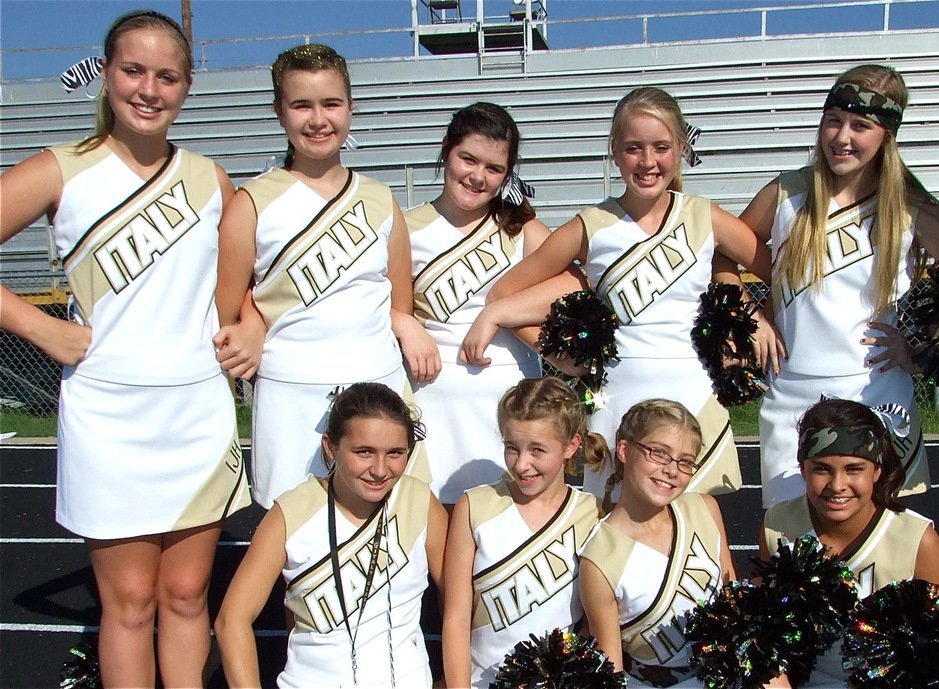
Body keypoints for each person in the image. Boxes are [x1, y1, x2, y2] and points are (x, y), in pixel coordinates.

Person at [0, 11, 250, 687]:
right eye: (133, 71)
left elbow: (242, 285)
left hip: (197, 410)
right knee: (132, 602)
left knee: (187, 596)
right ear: (106, 73)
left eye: (166, 76)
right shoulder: (62, 169)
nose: (149, 88)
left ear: (187, 87)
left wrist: (250, 325)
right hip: (109, 414)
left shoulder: (211, 178)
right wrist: (39, 326)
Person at [465, 86, 773, 503]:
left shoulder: (704, 215)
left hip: (695, 395)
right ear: (614, 150)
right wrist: (561, 357)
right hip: (617, 399)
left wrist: (755, 313)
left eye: (661, 147)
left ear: (680, 148)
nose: (648, 162)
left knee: (697, 534)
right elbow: (506, 291)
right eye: (633, 148)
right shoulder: (590, 225)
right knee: (614, 533)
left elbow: (778, 271)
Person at [736, 64, 939, 510]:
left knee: (880, 543)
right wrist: (752, 314)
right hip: (790, 393)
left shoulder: (910, 204)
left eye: (860, 126)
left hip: (876, 394)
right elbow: (720, 254)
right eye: (833, 120)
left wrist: (923, 349)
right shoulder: (788, 192)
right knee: (792, 543)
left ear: (886, 135)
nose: (842, 137)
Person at [214, 44, 414, 508]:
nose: (318, 119)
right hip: (290, 393)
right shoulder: (251, 202)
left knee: (383, 530)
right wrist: (253, 320)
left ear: (350, 107)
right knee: (292, 535)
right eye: (301, 104)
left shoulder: (381, 199)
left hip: (377, 390)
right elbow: (229, 304)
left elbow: (397, 303)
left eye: (331, 103)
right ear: (279, 112)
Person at [398, 102, 581, 505]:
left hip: (511, 411)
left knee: (508, 526)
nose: (478, 176)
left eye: (494, 168)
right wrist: (404, 322)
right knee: (439, 528)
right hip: (432, 403)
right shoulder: (405, 229)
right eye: (468, 159)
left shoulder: (523, 229)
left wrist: (499, 313)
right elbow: (381, 304)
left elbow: (578, 283)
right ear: (446, 150)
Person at [215, 382, 447, 688]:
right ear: (330, 446)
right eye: (364, 452)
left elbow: (462, 603)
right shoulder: (291, 513)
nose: (380, 469)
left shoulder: (419, 503)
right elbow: (232, 620)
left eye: (395, 453)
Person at [758, 398, 939, 687]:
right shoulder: (779, 525)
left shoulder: (917, 540)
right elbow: (761, 632)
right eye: (822, 469)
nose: (837, 485)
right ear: (803, 469)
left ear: (877, 470)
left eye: (854, 469)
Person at [440, 377, 605, 688]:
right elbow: (456, 618)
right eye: (511, 448)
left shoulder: (592, 513)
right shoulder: (474, 506)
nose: (522, 464)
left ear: (572, 445)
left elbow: (596, 621)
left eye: (538, 450)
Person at [579, 399, 737, 688]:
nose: (672, 470)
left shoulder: (704, 508)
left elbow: (735, 604)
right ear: (624, 450)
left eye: (685, 461)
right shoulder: (600, 557)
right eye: (659, 453)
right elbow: (610, 673)